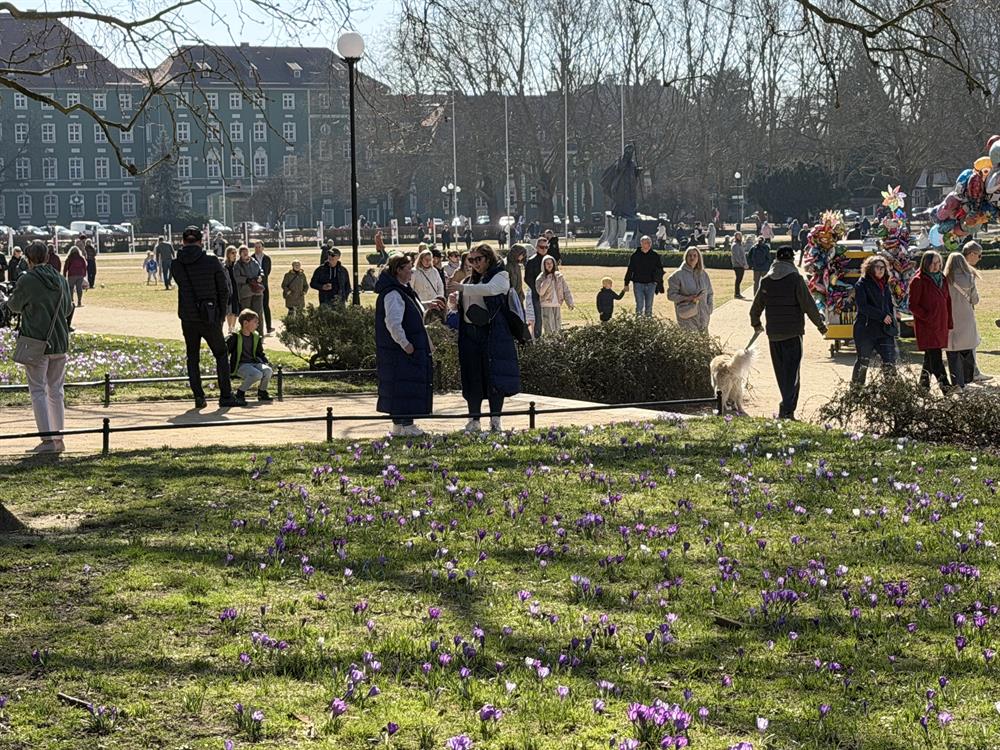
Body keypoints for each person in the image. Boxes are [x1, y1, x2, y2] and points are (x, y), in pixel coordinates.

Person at [6, 241, 74, 453]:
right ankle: (58, 437)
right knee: (56, 391)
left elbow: (14, 306)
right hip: (59, 340)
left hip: (36, 340)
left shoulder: (28, 279)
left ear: (29, 259)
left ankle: (47, 440)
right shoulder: (60, 279)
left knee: (38, 391)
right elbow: (67, 309)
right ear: (47, 256)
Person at [750, 245, 828, 420]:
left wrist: (756, 324)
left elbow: (755, 308)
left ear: (776, 259)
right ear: (792, 259)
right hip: (793, 333)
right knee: (793, 374)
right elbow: (808, 305)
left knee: (781, 373)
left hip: (773, 334)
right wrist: (820, 326)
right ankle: (787, 409)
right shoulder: (796, 279)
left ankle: (785, 407)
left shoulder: (766, 280)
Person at [454, 244, 520, 432]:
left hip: (493, 334)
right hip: (470, 335)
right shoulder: (469, 280)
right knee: (472, 377)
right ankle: (474, 420)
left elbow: (490, 289)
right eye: (471, 260)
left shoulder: (501, 276)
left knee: (494, 378)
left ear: (488, 259)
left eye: (478, 259)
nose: (474, 264)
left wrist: (462, 288)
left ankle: (495, 420)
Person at [173, 226, 237, 409]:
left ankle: (199, 396)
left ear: (183, 242)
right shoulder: (211, 261)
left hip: (188, 316)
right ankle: (225, 395)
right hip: (210, 315)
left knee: (192, 357)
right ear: (201, 242)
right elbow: (223, 289)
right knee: (221, 354)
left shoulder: (177, 264)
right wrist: (221, 314)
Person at [374, 254, 435, 437]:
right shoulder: (393, 293)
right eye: (408, 269)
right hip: (401, 352)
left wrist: (428, 305)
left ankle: (400, 425)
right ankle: (406, 424)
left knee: (402, 386)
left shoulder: (403, 290)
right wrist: (406, 344)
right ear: (398, 270)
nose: (411, 273)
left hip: (404, 350)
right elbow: (393, 323)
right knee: (404, 386)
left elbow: (411, 309)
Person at [909, 250, 953, 394]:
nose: (936, 266)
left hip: (941, 323)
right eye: (932, 263)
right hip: (927, 325)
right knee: (936, 357)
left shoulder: (942, 278)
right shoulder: (918, 280)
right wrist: (928, 316)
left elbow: (947, 301)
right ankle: (946, 387)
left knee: (930, 357)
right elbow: (913, 305)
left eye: (938, 262)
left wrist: (949, 322)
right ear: (926, 264)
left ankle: (923, 387)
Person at [851, 255, 897, 385]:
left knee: (889, 362)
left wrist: (891, 316)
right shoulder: (861, 284)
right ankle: (856, 390)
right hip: (866, 329)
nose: (881, 270)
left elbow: (889, 305)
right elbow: (863, 307)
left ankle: (892, 391)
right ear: (870, 268)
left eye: (883, 267)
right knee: (863, 361)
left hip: (884, 330)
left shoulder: (885, 285)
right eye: (877, 267)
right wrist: (882, 316)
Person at [944, 249, 979, 389]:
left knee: (953, 351)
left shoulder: (945, 279)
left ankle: (957, 382)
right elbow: (975, 300)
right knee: (967, 349)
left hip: (950, 316)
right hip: (967, 316)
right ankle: (967, 379)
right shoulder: (970, 277)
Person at [226, 309, 273, 405]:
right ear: (245, 323)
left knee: (268, 370)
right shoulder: (235, 337)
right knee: (257, 374)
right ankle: (240, 392)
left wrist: (265, 361)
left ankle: (262, 392)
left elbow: (259, 352)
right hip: (241, 365)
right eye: (255, 322)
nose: (257, 324)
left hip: (254, 363)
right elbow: (226, 351)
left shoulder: (256, 336)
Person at [667, 247, 714, 332]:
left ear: (698, 258)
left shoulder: (703, 274)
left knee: (704, 339)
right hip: (687, 316)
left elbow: (710, 293)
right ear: (686, 257)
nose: (692, 258)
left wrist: (709, 308)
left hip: (704, 316)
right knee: (691, 339)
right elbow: (671, 295)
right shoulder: (677, 276)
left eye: (695, 255)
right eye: (690, 255)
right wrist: (688, 298)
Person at [623, 235, 664, 317]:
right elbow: (630, 270)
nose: (648, 244)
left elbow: (660, 270)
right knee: (639, 305)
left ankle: (648, 323)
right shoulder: (635, 256)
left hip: (651, 284)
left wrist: (659, 284)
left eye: (649, 243)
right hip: (638, 284)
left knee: (649, 306)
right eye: (645, 243)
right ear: (641, 244)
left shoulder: (655, 255)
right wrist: (626, 283)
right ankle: (638, 323)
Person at [535, 255, 574, 336]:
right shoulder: (540, 278)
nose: (549, 265)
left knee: (557, 327)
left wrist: (569, 302)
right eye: (547, 263)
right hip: (546, 305)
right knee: (549, 327)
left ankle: (557, 342)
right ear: (543, 265)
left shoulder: (559, 276)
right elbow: (541, 292)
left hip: (557, 304)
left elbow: (566, 290)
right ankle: (549, 342)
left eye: (551, 263)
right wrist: (547, 280)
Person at [524, 236, 551, 338]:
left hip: (549, 293)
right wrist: (538, 289)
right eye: (541, 247)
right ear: (536, 247)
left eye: (546, 247)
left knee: (550, 316)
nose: (544, 249)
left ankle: (550, 337)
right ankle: (538, 339)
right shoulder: (531, 261)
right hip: (537, 294)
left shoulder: (549, 260)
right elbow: (527, 278)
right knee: (538, 318)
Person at [233, 245, 265, 322]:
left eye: (246, 251)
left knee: (258, 313)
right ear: (240, 254)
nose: (245, 253)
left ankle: (259, 329)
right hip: (245, 292)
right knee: (247, 315)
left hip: (257, 291)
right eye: (243, 252)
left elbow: (261, 270)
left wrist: (260, 276)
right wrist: (247, 280)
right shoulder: (237, 265)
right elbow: (237, 278)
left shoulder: (254, 261)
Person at [251, 240, 273, 333]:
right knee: (256, 308)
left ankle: (269, 327)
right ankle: (256, 328)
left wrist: (262, 279)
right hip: (254, 286)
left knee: (265, 305)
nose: (257, 249)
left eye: (259, 247)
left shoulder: (267, 258)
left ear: (263, 248)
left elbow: (268, 271)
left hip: (264, 285)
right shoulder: (251, 258)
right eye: (256, 247)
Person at [730, 231, 750, 299]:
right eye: (739, 236)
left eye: (741, 236)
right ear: (736, 237)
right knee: (738, 279)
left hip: (741, 265)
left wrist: (745, 264)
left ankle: (737, 293)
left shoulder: (740, 244)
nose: (740, 237)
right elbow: (737, 257)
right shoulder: (735, 245)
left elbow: (743, 255)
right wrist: (742, 265)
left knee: (739, 279)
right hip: (737, 265)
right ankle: (737, 294)